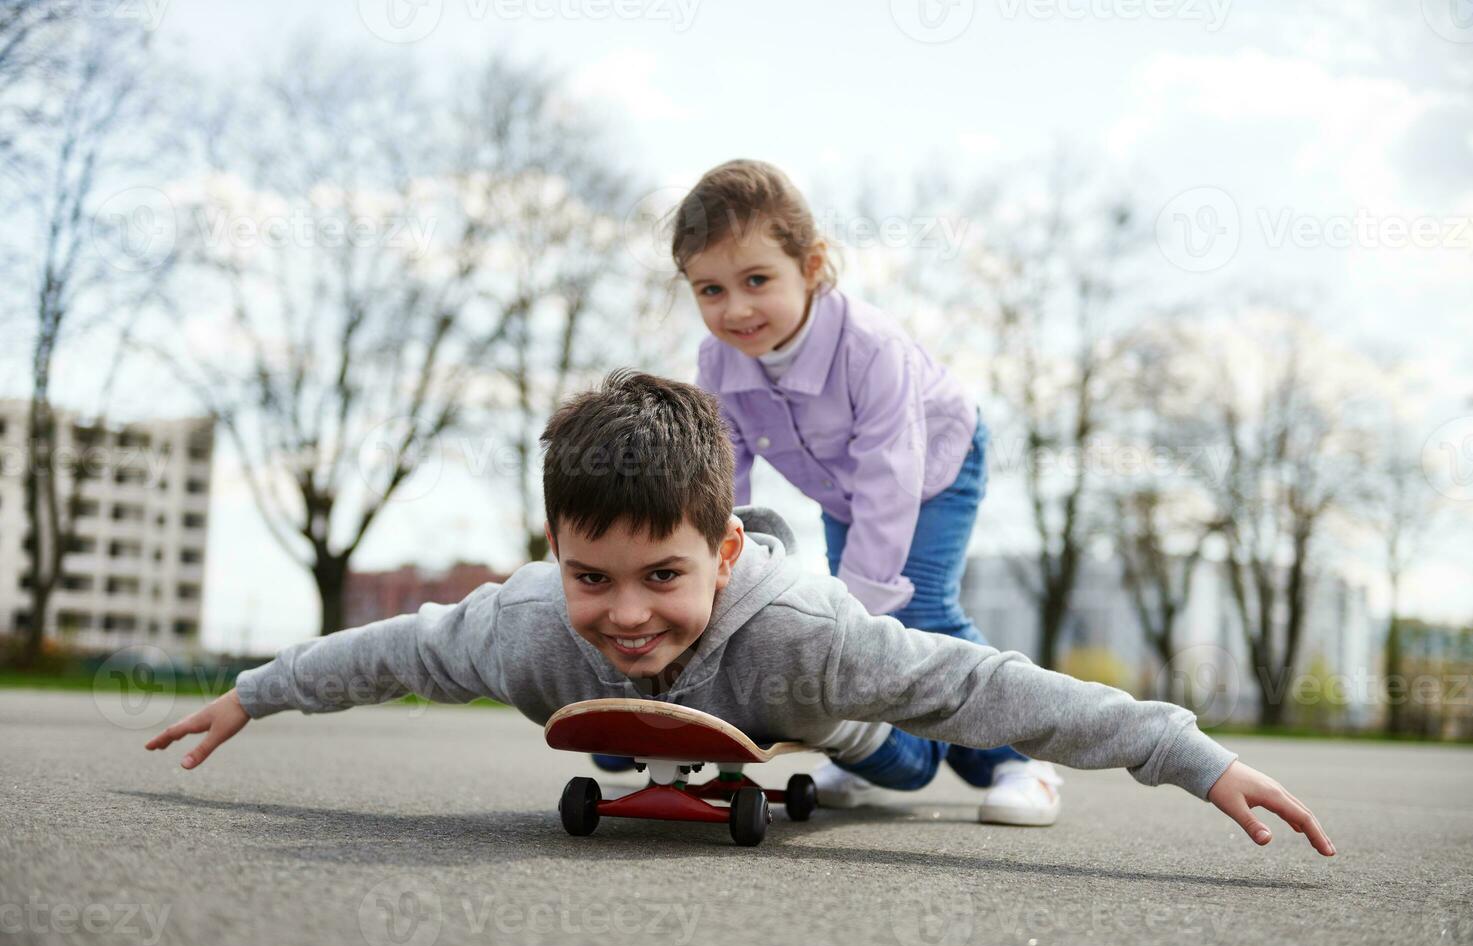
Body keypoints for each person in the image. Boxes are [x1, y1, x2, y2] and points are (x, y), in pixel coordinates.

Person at [144, 371, 1335, 859]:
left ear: (719, 550)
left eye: (663, 575)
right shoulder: (522, 623)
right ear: (554, 548)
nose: (623, 614)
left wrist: (1187, 751)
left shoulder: (812, 638)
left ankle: (866, 752)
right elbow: (396, 647)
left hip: (821, 701)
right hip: (692, 711)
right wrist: (258, 689)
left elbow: (988, 687)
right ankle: (656, 723)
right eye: (590, 575)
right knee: (606, 708)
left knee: (907, 761)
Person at [676, 159, 1051, 821]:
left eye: (756, 280)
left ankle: (1018, 758)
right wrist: (712, 577)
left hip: (934, 466)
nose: (734, 309)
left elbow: (891, 474)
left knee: (919, 612)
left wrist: (854, 609)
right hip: (844, 491)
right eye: (709, 290)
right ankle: (880, 756)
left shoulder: (869, 348)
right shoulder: (717, 361)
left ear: (812, 264)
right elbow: (722, 480)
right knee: (859, 615)